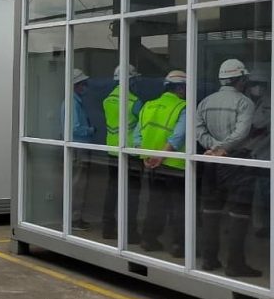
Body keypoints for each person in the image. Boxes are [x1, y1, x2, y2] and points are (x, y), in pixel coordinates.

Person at [196, 59, 261, 277]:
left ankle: (209, 259)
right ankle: (235, 265)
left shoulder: (205, 102)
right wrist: (222, 148)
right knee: (239, 215)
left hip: (211, 162)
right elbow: (241, 133)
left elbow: (198, 130)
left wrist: (213, 147)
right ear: (240, 79)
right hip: (237, 162)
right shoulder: (245, 103)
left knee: (210, 212)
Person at [134, 70, 187, 258]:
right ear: (180, 88)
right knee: (178, 205)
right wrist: (162, 156)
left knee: (155, 203)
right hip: (174, 165)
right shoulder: (182, 107)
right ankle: (179, 245)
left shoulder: (148, 105)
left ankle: (149, 239)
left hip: (152, 164)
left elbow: (137, 135)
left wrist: (147, 156)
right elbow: (179, 136)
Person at [102, 65, 143, 243]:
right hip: (130, 152)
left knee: (112, 191)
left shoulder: (108, 99)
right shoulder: (134, 102)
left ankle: (107, 228)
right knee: (132, 195)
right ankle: (130, 232)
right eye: (134, 79)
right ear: (130, 80)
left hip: (112, 151)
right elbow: (142, 126)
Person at [61, 68, 95, 231]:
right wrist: (90, 130)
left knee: (77, 183)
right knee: (78, 185)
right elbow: (75, 128)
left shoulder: (72, 102)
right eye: (83, 84)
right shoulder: (72, 103)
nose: (85, 87)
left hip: (76, 148)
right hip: (78, 148)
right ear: (76, 85)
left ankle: (74, 217)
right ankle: (74, 219)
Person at [244, 69, 271, 238]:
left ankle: (264, 226)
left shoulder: (271, 104)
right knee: (246, 195)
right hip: (244, 155)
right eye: (255, 84)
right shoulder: (243, 102)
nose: (258, 87)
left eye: (261, 84)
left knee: (264, 195)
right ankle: (247, 225)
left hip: (264, 155)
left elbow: (260, 127)